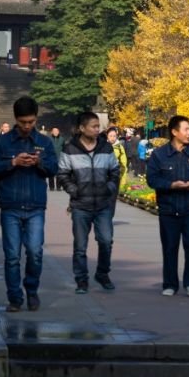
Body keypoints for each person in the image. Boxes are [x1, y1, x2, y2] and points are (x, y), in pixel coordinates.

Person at [0, 96, 59, 312]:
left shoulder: (44, 143)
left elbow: (54, 169)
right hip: (10, 207)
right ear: (16, 119)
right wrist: (13, 162)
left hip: (36, 206)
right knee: (12, 256)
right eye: (23, 122)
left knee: (35, 251)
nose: (27, 126)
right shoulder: (2, 142)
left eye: (31, 122)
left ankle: (32, 290)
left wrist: (40, 162)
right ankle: (15, 298)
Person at [146, 116, 189, 297]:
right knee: (170, 246)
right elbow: (152, 179)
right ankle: (170, 284)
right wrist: (170, 185)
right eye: (186, 129)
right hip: (168, 208)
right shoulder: (159, 155)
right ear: (174, 132)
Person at [57, 113, 122, 294]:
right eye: (93, 126)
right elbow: (62, 174)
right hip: (81, 206)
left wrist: (109, 188)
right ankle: (81, 279)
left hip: (103, 205)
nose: (97, 129)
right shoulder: (70, 149)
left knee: (106, 241)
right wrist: (75, 191)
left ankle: (102, 273)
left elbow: (115, 171)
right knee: (80, 246)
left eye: (98, 126)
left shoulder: (106, 148)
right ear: (82, 128)